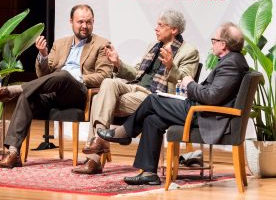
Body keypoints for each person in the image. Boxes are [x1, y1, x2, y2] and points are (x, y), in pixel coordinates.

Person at [97, 22, 249, 185]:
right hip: (201, 110)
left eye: (214, 40)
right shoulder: (232, 60)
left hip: (205, 114)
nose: (212, 43)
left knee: (153, 100)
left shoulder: (231, 64)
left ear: (223, 44)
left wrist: (190, 84)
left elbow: (212, 97)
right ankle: (149, 173)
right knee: (152, 120)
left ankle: (125, 133)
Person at [0, 4, 113, 168]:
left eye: (89, 22)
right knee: (27, 96)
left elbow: (104, 76)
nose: (85, 26)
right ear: (71, 22)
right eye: (80, 22)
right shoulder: (61, 44)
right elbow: (44, 76)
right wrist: (43, 56)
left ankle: (11, 90)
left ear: (93, 22)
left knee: (64, 75)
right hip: (55, 92)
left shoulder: (101, 44)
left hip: (79, 93)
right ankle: (13, 153)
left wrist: (77, 78)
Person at [71, 9, 200, 174]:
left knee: (98, 100)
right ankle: (101, 140)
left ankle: (95, 157)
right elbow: (136, 73)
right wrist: (117, 63)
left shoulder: (189, 51)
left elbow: (186, 81)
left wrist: (171, 67)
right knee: (109, 82)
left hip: (154, 98)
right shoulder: (153, 46)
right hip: (135, 88)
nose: (156, 28)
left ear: (174, 29)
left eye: (161, 25)